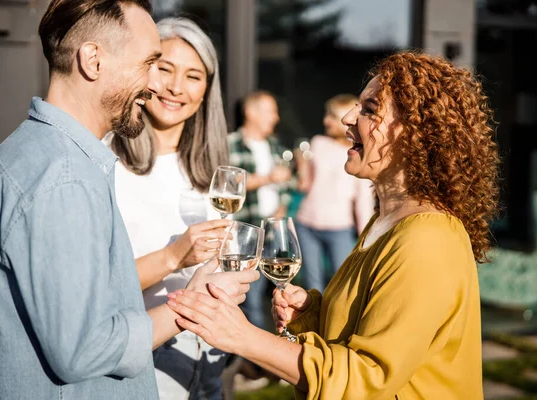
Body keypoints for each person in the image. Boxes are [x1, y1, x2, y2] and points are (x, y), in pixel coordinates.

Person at [164, 51, 501, 399]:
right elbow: (364, 330)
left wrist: (243, 336)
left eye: (369, 110)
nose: (349, 118)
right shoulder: (385, 221)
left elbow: (364, 379)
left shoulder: (428, 238)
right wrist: (312, 314)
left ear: (414, 133)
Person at [0, 2, 257, 399]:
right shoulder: (63, 178)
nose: (157, 84)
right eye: (150, 63)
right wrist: (194, 303)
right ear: (93, 60)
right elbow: (85, 348)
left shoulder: (39, 157)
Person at [107, 17, 232, 400]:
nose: (177, 87)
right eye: (165, 69)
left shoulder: (212, 172)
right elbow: (93, 288)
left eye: (194, 76)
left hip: (207, 358)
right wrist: (173, 257)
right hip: (139, 368)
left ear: (207, 90)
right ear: (143, 70)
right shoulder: (106, 164)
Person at [295, 94, 376, 292]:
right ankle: (313, 323)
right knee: (312, 284)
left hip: (339, 228)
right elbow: (305, 185)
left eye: (331, 116)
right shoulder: (317, 143)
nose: (326, 121)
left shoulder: (358, 153)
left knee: (342, 282)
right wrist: (301, 164)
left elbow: (363, 200)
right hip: (307, 223)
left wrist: (367, 237)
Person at [228, 90, 293, 330]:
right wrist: (268, 178)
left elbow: (286, 184)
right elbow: (229, 184)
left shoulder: (274, 145)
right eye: (270, 111)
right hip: (248, 229)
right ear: (250, 113)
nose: (275, 118)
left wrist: (281, 209)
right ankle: (252, 356)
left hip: (274, 228)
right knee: (251, 295)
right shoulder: (231, 143)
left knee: (280, 292)